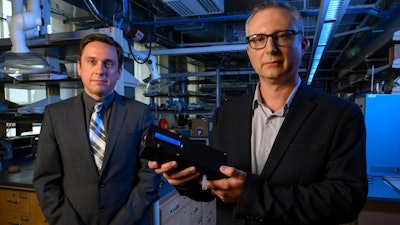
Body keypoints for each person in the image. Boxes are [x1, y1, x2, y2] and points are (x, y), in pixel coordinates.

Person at [148, 1, 368, 225]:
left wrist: (253, 196)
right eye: (259, 39)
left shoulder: (340, 115)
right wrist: (186, 180)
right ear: (249, 51)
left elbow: (346, 200)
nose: (270, 48)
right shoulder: (226, 115)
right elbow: (212, 186)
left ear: (303, 45)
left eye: (282, 36)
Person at [33, 33, 161, 225]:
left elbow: (149, 176)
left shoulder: (140, 114)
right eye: (91, 61)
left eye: (108, 63)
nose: (100, 70)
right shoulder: (55, 115)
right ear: (80, 68)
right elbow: (46, 181)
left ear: (118, 72)